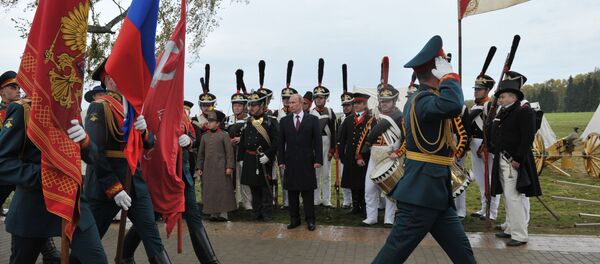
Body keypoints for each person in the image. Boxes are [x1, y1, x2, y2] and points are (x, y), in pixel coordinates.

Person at [373, 35, 476, 263]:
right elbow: (453, 104)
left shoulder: (425, 99)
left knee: (463, 254)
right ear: (436, 70)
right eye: (442, 65)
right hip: (420, 197)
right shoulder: (423, 101)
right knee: (392, 256)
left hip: (437, 195)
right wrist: (450, 76)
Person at [0, 95, 107, 263]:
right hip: (34, 204)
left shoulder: (70, 108)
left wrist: (85, 141)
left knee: (96, 259)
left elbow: (93, 157)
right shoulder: (24, 109)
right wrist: (46, 175)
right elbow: (3, 163)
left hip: (73, 202)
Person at [85, 59, 171, 263]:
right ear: (108, 80)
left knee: (152, 237)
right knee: (88, 243)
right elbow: (94, 152)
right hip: (106, 186)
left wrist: (144, 132)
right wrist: (114, 188)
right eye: (119, 74)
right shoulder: (100, 107)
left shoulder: (132, 108)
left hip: (134, 182)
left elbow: (149, 142)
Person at [119, 100, 221, 264]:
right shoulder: (150, 108)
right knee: (148, 219)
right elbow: (144, 140)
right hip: (157, 175)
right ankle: (125, 255)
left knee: (194, 217)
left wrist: (189, 140)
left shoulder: (180, 111)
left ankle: (211, 261)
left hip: (182, 175)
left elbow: (193, 136)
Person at [0, 71, 65, 264]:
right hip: (5, 174)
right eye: (13, 87)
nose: (17, 90)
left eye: (19, 87)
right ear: (2, 91)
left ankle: (47, 250)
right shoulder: (12, 111)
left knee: (27, 215)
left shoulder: (28, 109)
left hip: (24, 172)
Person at [489, 71, 542, 247]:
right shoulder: (505, 112)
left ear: (512, 97)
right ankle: (511, 229)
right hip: (503, 160)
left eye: (502, 97)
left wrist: (518, 158)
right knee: (508, 197)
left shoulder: (523, 112)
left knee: (513, 198)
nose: (500, 100)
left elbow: (527, 137)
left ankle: (520, 235)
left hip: (513, 161)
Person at [278, 94, 323, 231]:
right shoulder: (284, 121)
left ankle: (310, 220)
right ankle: (294, 219)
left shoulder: (313, 120)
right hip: (291, 161)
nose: (289, 105)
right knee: (292, 192)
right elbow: (281, 143)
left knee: (307, 192)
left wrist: (318, 160)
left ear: (301, 103)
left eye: (292, 102)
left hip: (307, 161)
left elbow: (317, 142)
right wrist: (281, 160)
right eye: (289, 103)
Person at [360, 82, 401, 227]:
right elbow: (365, 136)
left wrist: (398, 152)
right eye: (382, 101)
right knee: (369, 187)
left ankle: (389, 218)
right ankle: (371, 216)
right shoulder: (375, 119)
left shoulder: (400, 118)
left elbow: (408, 139)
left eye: (387, 101)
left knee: (390, 188)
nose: (384, 104)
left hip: (391, 155)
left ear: (394, 101)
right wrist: (360, 154)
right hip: (374, 155)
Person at [238, 90, 279, 221]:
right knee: (253, 185)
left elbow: (277, 141)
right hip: (250, 157)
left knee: (265, 186)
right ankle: (256, 211)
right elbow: (243, 141)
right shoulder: (248, 122)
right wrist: (241, 158)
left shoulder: (271, 122)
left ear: (262, 105)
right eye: (250, 105)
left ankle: (266, 212)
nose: (251, 108)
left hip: (264, 158)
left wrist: (268, 155)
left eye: (254, 105)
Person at [468, 74, 500, 220]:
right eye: (476, 88)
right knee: (481, 179)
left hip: (484, 144)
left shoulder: (490, 105)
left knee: (490, 178)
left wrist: (485, 146)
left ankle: (492, 212)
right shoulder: (475, 105)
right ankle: (483, 208)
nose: (476, 91)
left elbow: (492, 127)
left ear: (487, 90)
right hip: (474, 144)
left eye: (479, 89)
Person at [338, 92, 373, 217]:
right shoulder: (348, 120)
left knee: (363, 183)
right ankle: (355, 205)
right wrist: (342, 155)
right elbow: (342, 139)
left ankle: (364, 207)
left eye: (359, 103)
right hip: (350, 156)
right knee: (353, 181)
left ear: (365, 104)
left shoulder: (370, 120)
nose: (356, 105)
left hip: (365, 156)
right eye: (355, 103)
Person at [197, 111, 236, 221]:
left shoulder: (224, 135)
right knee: (210, 191)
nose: (209, 123)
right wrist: (199, 167)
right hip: (208, 168)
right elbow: (201, 153)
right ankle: (212, 213)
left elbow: (229, 153)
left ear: (218, 123)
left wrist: (229, 167)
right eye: (208, 121)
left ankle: (223, 214)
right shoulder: (204, 137)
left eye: (212, 121)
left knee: (223, 190)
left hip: (221, 168)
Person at [225, 70, 252, 210]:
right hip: (231, 152)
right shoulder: (227, 120)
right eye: (235, 105)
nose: (236, 107)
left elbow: (253, 135)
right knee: (231, 179)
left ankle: (247, 202)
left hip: (245, 152)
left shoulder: (250, 120)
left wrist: (240, 138)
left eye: (239, 105)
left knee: (244, 178)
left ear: (244, 106)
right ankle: (233, 202)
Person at [310, 58, 336, 208]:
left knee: (326, 174)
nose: (318, 100)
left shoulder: (330, 112)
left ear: (326, 98)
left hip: (326, 144)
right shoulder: (310, 113)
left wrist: (333, 148)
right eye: (316, 97)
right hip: (314, 144)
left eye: (321, 97)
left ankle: (326, 199)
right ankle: (315, 198)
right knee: (315, 173)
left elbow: (334, 131)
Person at [274, 61, 298, 210]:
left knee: (297, 175)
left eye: (289, 100)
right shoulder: (277, 114)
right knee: (284, 176)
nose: (287, 102)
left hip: (297, 148)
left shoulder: (300, 114)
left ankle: (295, 200)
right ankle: (286, 201)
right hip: (283, 148)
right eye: (284, 99)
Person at [336, 88, 354, 209]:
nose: (346, 107)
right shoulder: (340, 119)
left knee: (354, 177)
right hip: (343, 152)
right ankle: (347, 200)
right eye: (344, 105)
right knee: (344, 176)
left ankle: (355, 200)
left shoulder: (355, 118)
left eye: (348, 105)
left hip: (354, 151)